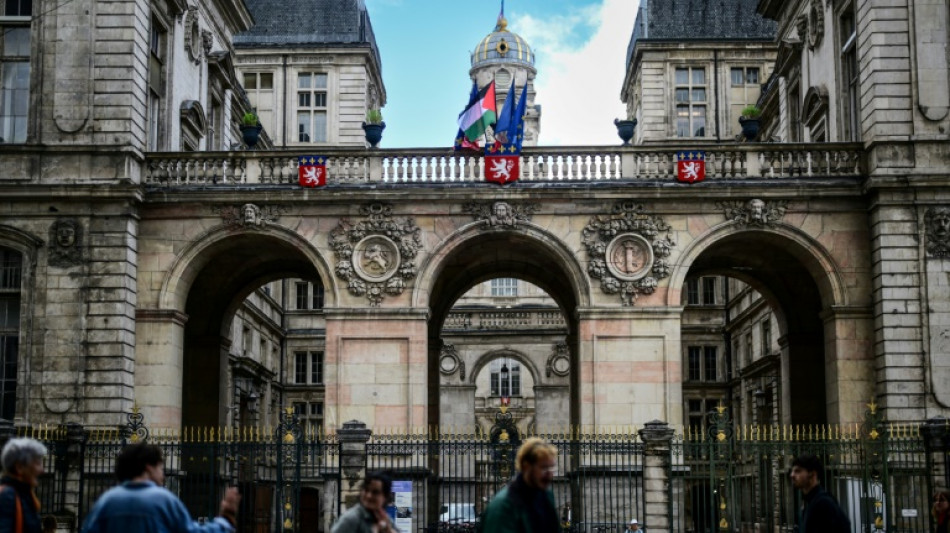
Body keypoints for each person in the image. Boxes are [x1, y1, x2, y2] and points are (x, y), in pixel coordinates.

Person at [81, 442, 240, 533]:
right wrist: (226, 518)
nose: (163, 476)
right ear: (149, 468)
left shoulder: (105, 501)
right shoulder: (163, 499)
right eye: (161, 468)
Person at [481, 438, 559, 533]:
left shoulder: (547, 496)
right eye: (544, 467)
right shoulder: (502, 506)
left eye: (552, 467)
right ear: (526, 466)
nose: (549, 474)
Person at [789, 453, 850, 533]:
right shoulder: (809, 503)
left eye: (798, 471)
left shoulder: (823, 503)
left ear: (813, 474)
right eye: (792, 471)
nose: (792, 475)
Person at [0, 438, 47, 533]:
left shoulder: (25, 495)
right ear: (19, 467)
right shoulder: (8, 496)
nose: (42, 470)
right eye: (37, 463)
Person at [331, 471, 398, 533]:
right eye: (366, 490)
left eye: (375, 492)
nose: (369, 496)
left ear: (385, 497)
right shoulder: (351, 519)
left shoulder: (385, 518)